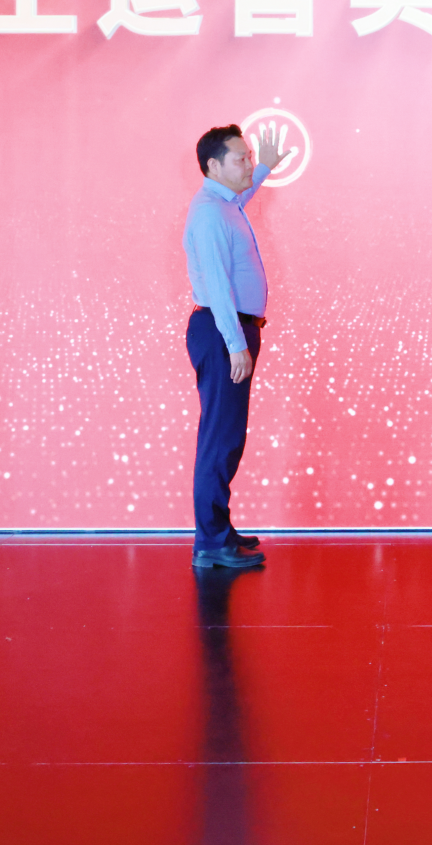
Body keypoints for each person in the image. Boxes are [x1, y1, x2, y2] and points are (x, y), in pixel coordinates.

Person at [184, 123, 284, 570]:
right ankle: (210, 542)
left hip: (233, 330)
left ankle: (219, 531)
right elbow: (218, 286)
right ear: (213, 166)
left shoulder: (224, 204)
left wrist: (264, 169)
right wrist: (235, 343)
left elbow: (240, 199)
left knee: (227, 437)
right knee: (219, 439)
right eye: (241, 158)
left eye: (249, 157)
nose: (248, 163)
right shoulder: (209, 213)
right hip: (222, 331)